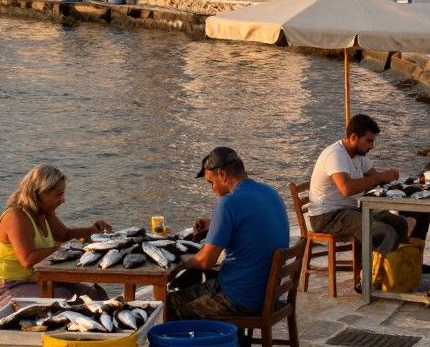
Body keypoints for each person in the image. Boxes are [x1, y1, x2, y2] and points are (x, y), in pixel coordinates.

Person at [169, 146, 290, 320]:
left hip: (241, 298)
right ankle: (228, 335)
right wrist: (213, 224)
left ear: (222, 174)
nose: (212, 189)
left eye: (211, 182)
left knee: (169, 304)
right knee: (197, 280)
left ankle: (207, 337)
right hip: (267, 294)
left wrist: (183, 262)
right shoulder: (270, 192)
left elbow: (206, 261)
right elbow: (251, 222)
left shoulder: (227, 203)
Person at [0, 164, 114, 311]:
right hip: (6, 291)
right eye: (58, 194)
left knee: (95, 293)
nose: (63, 200)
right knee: (65, 298)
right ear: (39, 193)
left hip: (38, 281)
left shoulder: (44, 212)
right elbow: (28, 259)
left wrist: (91, 231)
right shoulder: (16, 216)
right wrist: (64, 249)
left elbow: (64, 235)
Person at [305, 114, 409, 253]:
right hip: (327, 216)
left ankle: (399, 263)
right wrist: (380, 177)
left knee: (399, 223)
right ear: (353, 137)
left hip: (349, 210)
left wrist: (388, 176)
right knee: (385, 233)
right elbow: (346, 189)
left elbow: (375, 178)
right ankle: (373, 266)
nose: (372, 146)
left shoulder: (359, 154)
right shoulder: (335, 154)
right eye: (368, 141)